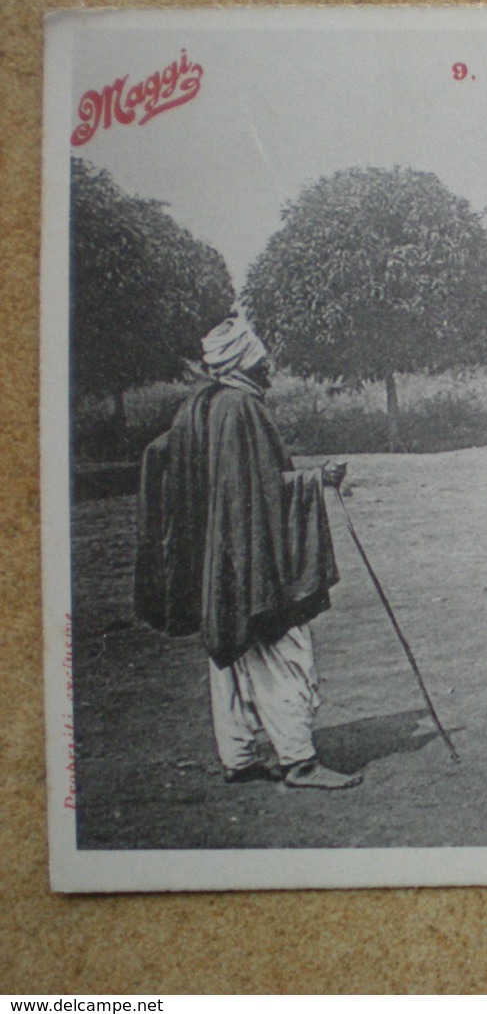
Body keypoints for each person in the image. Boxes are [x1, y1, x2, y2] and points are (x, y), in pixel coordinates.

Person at [135, 315, 360, 788]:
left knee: (231, 656)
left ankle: (238, 757)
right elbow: (265, 494)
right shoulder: (243, 409)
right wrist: (320, 478)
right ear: (242, 364)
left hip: (217, 561)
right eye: (261, 363)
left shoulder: (196, 406)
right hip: (251, 558)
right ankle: (299, 761)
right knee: (284, 650)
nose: (269, 370)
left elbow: (162, 458)